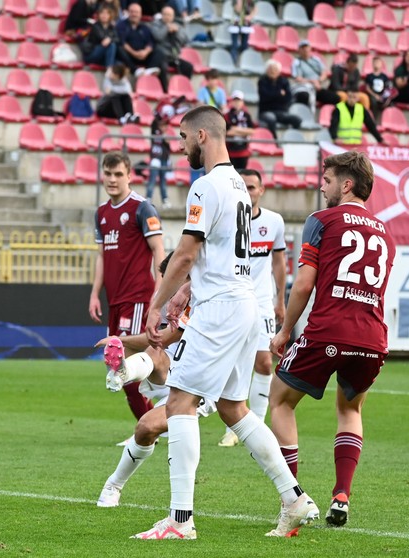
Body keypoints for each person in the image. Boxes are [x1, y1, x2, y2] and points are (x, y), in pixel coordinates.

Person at [134, 105, 317, 540]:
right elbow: (215, 255)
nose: (178, 147)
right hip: (242, 305)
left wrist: (158, 304)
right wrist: (182, 294)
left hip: (219, 310)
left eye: (181, 137)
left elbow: (187, 253)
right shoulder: (238, 186)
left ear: (202, 136)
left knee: (180, 402)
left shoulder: (206, 186)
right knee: (235, 409)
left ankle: (180, 521)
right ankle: (293, 498)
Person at [269, 151, 394, 529]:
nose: (321, 186)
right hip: (372, 336)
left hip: (328, 331)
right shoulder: (385, 230)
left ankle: (292, 497)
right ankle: (342, 495)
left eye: (327, 180)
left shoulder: (321, 220)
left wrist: (286, 329)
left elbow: (304, 282)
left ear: (347, 184)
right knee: (351, 410)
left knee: (279, 400)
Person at [97, 252, 218, 507]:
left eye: (172, 276)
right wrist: (124, 345)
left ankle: (113, 484)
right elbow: (155, 343)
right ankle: (123, 372)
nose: (166, 283)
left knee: (145, 428)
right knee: (154, 354)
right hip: (170, 371)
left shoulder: (204, 298)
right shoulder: (172, 299)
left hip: (198, 383)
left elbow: (164, 337)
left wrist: (120, 340)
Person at [90, 151, 166, 430]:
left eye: (118, 174)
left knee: (121, 365)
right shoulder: (101, 213)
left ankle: (151, 428)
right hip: (115, 299)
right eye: (108, 174)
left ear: (129, 175)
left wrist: (160, 293)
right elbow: (101, 256)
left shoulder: (142, 208)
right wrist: (95, 292)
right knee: (121, 368)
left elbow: (159, 250)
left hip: (137, 297)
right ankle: (156, 423)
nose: (112, 179)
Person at [216, 169, 286, 447]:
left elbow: (279, 262)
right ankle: (234, 424)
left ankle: (253, 425)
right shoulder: (228, 219)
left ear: (262, 190)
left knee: (264, 361)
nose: (248, 191)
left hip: (262, 301)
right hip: (232, 298)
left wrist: (280, 299)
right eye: (243, 186)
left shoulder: (274, 221)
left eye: (253, 187)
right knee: (232, 363)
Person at [116, 3, 166, 87]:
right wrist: (134, 53)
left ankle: (148, 71)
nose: (134, 14)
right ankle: (136, 71)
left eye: (136, 12)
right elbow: (122, 42)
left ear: (140, 14)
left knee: (159, 52)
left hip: (143, 56)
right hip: (129, 56)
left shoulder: (145, 27)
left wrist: (145, 52)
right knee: (119, 49)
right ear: (128, 13)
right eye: (132, 12)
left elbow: (151, 43)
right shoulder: (121, 25)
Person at [257, 59, 302, 139]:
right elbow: (265, 97)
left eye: (275, 69)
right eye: (270, 69)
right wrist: (279, 94)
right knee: (271, 119)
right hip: (266, 111)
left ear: (279, 71)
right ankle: (275, 141)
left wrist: (273, 94)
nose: (273, 71)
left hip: (281, 112)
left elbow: (288, 98)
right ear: (267, 70)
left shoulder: (284, 81)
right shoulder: (262, 81)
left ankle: (289, 138)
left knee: (297, 120)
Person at [149, 6, 193, 81]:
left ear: (173, 16)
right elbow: (158, 37)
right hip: (161, 57)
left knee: (188, 67)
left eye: (169, 15)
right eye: (165, 14)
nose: (167, 17)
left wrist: (176, 32)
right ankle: (165, 91)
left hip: (174, 56)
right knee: (163, 67)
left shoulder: (178, 26)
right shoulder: (156, 24)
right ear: (161, 15)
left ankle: (184, 88)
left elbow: (185, 41)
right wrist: (166, 28)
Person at [145, 105, 173, 209]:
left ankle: (165, 200)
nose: (164, 127)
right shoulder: (154, 130)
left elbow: (168, 150)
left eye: (165, 125)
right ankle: (148, 198)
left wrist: (166, 140)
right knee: (152, 180)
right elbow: (154, 121)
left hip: (164, 160)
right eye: (162, 124)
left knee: (163, 181)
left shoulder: (166, 136)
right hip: (155, 159)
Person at [290, 40, 328, 112]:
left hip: (317, 87)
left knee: (335, 98)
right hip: (305, 88)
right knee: (303, 96)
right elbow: (297, 78)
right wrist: (312, 82)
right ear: (299, 50)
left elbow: (324, 73)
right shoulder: (296, 62)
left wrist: (319, 80)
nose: (305, 50)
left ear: (310, 48)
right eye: (303, 48)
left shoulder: (316, 60)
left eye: (307, 47)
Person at [225, 90, 256, 170]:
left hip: (243, 151)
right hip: (231, 151)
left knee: (242, 173)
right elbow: (227, 132)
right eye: (235, 100)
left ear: (242, 102)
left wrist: (236, 129)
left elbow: (252, 131)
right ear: (231, 102)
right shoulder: (227, 116)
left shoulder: (247, 115)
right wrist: (244, 132)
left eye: (239, 100)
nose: (237, 103)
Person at [364, 57, 395, 122]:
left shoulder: (384, 76)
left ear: (381, 64)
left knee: (390, 103)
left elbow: (388, 89)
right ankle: (373, 120)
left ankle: (388, 121)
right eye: (375, 62)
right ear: (372, 64)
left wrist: (386, 98)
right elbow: (367, 88)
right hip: (373, 95)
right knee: (373, 102)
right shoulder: (369, 76)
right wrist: (375, 95)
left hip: (382, 95)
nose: (376, 64)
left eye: (378, 62)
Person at [228, 0, 255, 64]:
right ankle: (233, 62)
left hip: (246, 24)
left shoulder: (250, 1)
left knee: (245, 45)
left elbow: (255, 9)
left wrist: (250, 16)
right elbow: (237, 9)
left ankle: (244, 62)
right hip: (235, 22)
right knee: (234, 45)